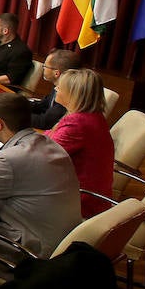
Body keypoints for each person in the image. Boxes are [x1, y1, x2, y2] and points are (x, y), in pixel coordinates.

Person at [0, 92, 82, 260]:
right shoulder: (44, 143)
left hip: (30, 250)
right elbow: (5, 175)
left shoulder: (9, 160)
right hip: (59, 240)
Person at [45, 69, 114, 218]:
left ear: (73, 94)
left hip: (79, 203)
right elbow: (50, 136)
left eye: (60, 87)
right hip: (88, 196)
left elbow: (43, 154)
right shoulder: (92, 116)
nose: (56, 89)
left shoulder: (78, 123)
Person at [30, 48, 80, 130]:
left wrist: (18, 115)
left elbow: (44, 122)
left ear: (56, 73)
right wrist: (17, 104)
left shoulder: (68, 94)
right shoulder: (58, 85)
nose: (43, 68)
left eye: (45, 66)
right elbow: (43, 105)